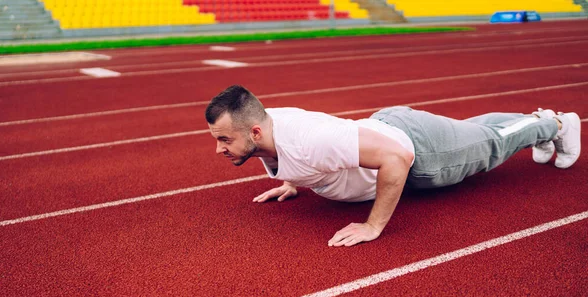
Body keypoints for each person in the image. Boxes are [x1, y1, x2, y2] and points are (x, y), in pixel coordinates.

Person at [205, 85, 581, 247]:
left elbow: (395, 158)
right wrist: (292, 180)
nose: (219, 149)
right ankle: (537, 122)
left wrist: (373, 225)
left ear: (255, 129)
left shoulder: (310, 141)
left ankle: (558, 124)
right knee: (477, 132)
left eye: (224, 139)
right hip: (385, 127)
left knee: (491, 145)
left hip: (421, 153)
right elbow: (296, 151)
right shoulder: (268, 126)